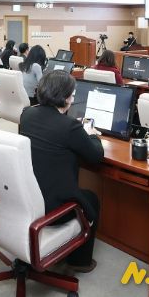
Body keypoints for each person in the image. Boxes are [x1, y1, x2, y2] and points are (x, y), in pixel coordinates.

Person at [19, 71, 104, 273]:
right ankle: (80, 262)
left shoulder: (27, 114)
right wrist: (92, 135)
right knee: (91, 198)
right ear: (66, 98)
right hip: (52, 208)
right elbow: (95, 156)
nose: (73, 99)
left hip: (27, 197)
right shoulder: (69, 126)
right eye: (72, 95)